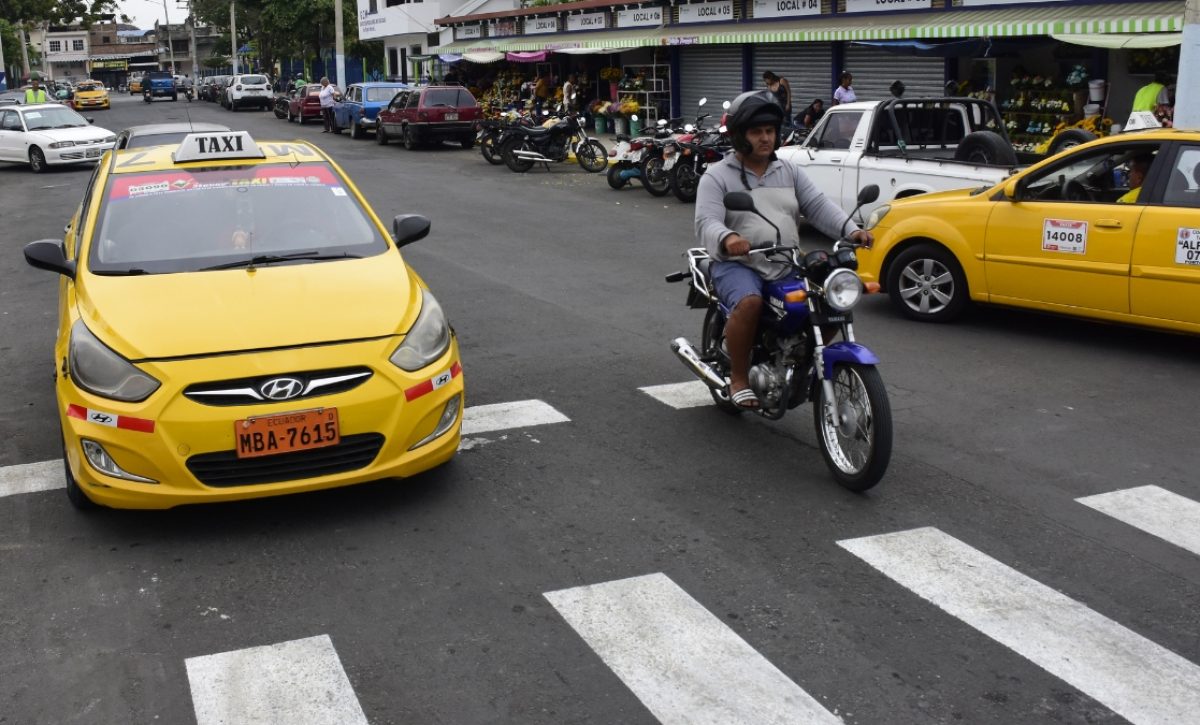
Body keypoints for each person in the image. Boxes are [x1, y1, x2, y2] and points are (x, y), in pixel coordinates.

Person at [694, 91, 873, 409]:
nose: (765, 138)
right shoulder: (717, 176)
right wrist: (728, 238)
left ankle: (802, 359)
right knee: (749, 303)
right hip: (739, 264)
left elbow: (817, 206)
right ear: (739, 135)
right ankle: (738, 377)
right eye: (756, 132)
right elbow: (707, 221)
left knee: (830, 302)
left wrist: (852, 229)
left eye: (770, 131)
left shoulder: (788, 171)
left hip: (785, 260)